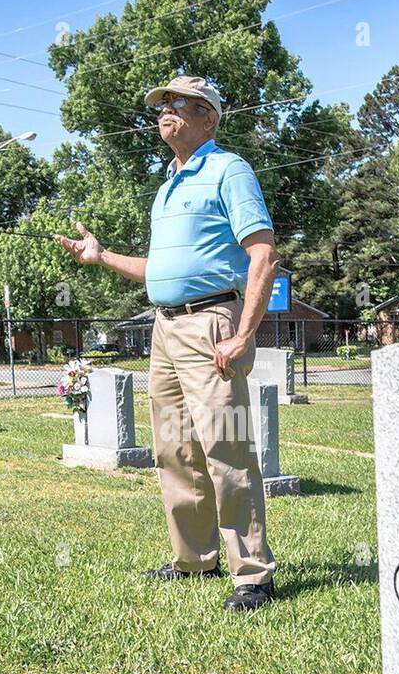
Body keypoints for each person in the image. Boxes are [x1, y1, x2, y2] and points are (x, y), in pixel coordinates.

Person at [57, 75, 280, 612]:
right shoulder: (166, 186)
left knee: (226, 447)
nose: (165, 110)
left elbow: (263, 255)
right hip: (165, 325)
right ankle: (195, 557)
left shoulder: (229, 170)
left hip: (212, 323)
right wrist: (102, 256)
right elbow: (159, 269)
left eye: (178, 102)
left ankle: (253, 575)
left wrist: (243, 334)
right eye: (161, 103)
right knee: (174, 448)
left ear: (208, 116)